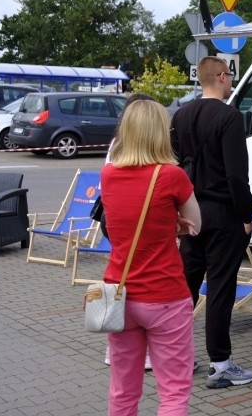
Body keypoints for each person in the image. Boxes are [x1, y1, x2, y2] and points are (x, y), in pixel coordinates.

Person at [101, 99, 202, 416]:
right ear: (161, 131)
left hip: (120, 293)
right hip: (165, 296)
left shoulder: (108, 174)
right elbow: (196, 224)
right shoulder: (172, 176)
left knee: (122, 390)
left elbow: (127, 220)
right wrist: (176, 224)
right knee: (173, 392)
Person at [170, 56, 252, 389]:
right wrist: (246, 215)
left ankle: (176, 356)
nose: (232, 81)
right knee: (220, 288)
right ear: (221, 77)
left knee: (184, 289)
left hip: (191, 211)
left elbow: (179, 165)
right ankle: (220, 363)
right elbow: (237, 175)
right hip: (222, 214)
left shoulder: (181, 115)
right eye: (230, 76)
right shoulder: (230, 117)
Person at [102, 92, 155, 371]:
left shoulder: (116, 145)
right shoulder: (145, 148)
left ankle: (115, 346)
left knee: (122, 275)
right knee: (138, 280)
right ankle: (143, 352)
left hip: (117, 221)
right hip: (138, 220)